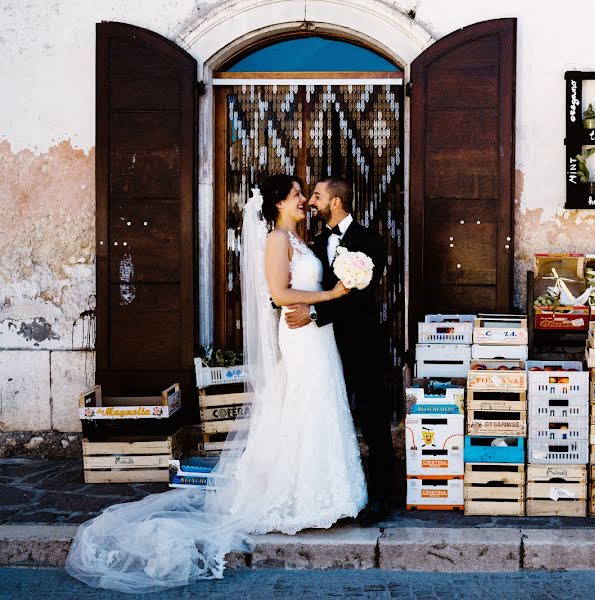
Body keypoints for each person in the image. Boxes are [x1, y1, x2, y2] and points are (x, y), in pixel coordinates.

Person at [64, 175, 367, 592]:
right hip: (299, 334)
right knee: (304, 402)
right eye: (297, 194)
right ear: (278, 203)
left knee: (322, 401)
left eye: (304, 194)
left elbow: (301, 286)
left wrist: (325, 303)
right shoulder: (278, 241)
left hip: (317, 334)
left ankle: (330, 494)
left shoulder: (302, 241)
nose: (304, 200)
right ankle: (298, 496)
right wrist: (330, 298)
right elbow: (279, 294)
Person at [283, 177, 392, 524]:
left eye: (317, 195)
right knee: (328, 419)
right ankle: (332, 495)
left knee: (373, 421)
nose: (311, 201)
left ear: (336, 202)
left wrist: (314, 313)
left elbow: (359, 297)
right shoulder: (313, 244)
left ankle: (381, 497)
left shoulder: (370, 241)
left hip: (361, 344)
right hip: (322, 347)